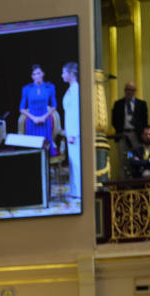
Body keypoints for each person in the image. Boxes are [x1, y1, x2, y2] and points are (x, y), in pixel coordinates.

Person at [19, 64, 57, 153]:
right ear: (32, 76)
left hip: (45, 120)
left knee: (46, 147)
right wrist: (34, 118)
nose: (37, 76)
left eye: (39, 73)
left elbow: (54, 106)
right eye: (34, 74)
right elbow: (21, 108)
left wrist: (44, 117)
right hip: (32, 121)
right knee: (34, 148)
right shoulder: (26, 89)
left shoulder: (50, 87)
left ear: (43, 73)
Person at [112, 81, 148, 161]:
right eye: (127, 89)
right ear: (125, 90)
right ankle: (125, 173)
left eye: (132, 90)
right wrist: (120, 130)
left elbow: (145, 121)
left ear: (135, 91)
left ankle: (135, 173)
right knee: (124, 158)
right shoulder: (118, 104)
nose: (129, 92)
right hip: (122, 135)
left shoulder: (141, 104)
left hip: (136, 135)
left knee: (137, 157)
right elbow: (114, 120)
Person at [62, 62, 80, 199]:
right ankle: (74, 190)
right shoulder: (71, 89)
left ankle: (79, 191)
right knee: (72, 161)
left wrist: (72, 134)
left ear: (71, 74)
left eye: (64, 73)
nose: (62, 75)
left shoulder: (75, 90)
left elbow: (75, 113)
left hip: (75, 133)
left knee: (76, 161)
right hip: (70, 130)